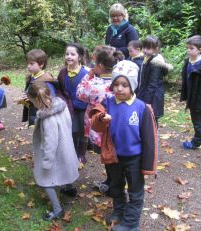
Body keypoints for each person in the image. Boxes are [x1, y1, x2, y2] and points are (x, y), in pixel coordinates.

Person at [90, 60, 157, 230]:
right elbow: (94, 122)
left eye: (125, 85)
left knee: (135, 191)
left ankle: (131, 223)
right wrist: (100, 118)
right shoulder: (108, 103)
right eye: (116, 84)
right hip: (113, 156)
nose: (119, 89)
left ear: (132, 86)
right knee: (116, 187)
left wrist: (148, 166)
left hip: (134, 158)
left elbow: (150, 139)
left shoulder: (142, 108)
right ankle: (119, 212)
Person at [27, 81, 79, 221]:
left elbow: (50, 143)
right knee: (66, 167)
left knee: (45, 179)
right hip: (65, 146)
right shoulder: (62, 105)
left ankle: (57, 209)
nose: (32, 104)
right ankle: (69, 188)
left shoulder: (47, 119)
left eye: (32, 102)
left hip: (54, 152)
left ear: (37, 101)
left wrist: (46, 162)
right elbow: (68, 123)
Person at [76, 46, 123, 193]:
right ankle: (110, 181)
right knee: (112, 155)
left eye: (94, 64)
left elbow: (79, 93)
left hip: (99, 129)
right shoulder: (121, 83)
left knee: (107, 155)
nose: (92, 66)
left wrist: (88, 75)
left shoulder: (93, 85)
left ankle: (113, 186)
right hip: (116, 126)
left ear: (100, 66)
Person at [57, 43, 89, 164]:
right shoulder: (62, 73)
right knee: (69, 131)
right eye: (67, 54)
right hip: (66, 108)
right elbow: (59, 88)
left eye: (72, 54)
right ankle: (70, 154)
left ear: (79, 57)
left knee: (81, 131)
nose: (69, 57)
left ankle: (81, 154)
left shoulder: (86, 73)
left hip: (82, 109)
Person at [180, 35, 201, 149]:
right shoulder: (188, 61)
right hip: (191, 96)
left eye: (191, 48)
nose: (188, 50)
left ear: (200, 50)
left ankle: (196, 142)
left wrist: (200, 102)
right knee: (198, 118)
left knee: (197, 120)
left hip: (199, 99)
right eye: (187, 48)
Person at [136, 35, 173, 126]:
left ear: (156, 49)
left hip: (153, 97)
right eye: (144, 47)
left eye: (148, 48)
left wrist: (146, 101)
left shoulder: (155, 63)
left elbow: (152, 84)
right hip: (145, 93)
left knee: (152, 121)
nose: (144, 50)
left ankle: (153, 139)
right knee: (146, 120)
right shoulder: (146, 59)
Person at [18, 49, 56, 127]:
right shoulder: (32, 77)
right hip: (34, 111)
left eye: (31, 64)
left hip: (43, 115)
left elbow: (51, 99)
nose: (28, 66)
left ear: (41, 64)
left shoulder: (46, 80)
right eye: (28, 63)